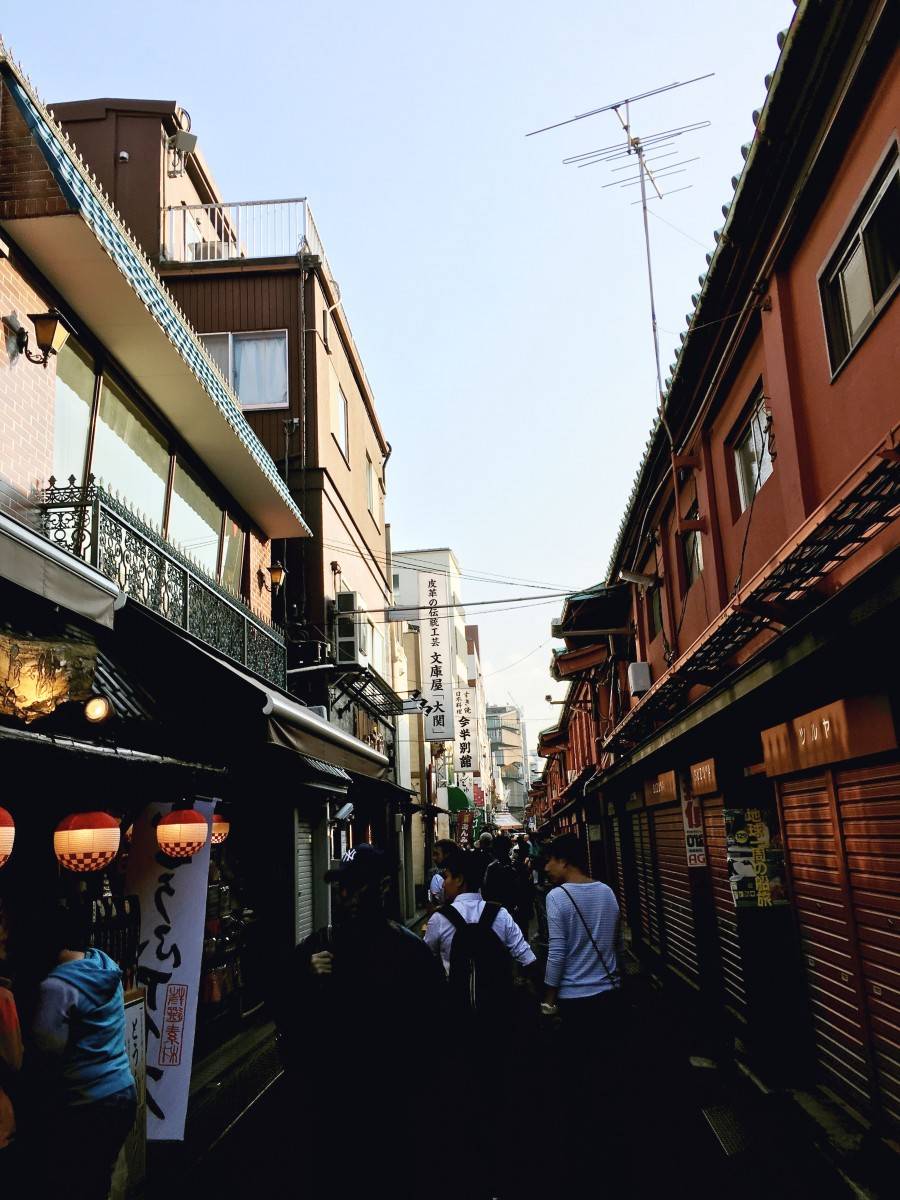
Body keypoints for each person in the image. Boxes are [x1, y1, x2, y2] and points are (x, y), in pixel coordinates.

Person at [277, 844, 446, 1198]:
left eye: (355, 887)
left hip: (392, 1106)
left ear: (382, 888)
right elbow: (285, 1015)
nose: (345, 896)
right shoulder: (320, 946)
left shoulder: (411, 952)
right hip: (334, 1106)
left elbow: (436, 1033)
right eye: (342, 887)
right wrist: (306, 978)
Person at [31, 906, 136, 1200]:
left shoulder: (57, 986)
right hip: (123, 1090)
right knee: (105, 1178)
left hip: (89, 1101)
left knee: (81, 1183)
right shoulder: (105, 966)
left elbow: (47, 1048)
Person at [541, 834, 624, 1187]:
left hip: (574, 1002)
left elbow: (557, 952)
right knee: (606, 1071)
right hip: (609, 996)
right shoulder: (607, 892)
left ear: (564, 861)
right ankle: (612, 1142)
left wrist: (548, 998)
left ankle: (583, 1154)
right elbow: (616, 943)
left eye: (549, 860)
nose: (545, 867)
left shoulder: (557, 897)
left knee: (576, 1076)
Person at [481, 833, 518, 913]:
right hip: (509, 907)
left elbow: (486, 890)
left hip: (495, 909)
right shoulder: (514, 866)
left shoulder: (492, 867)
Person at [426, 838, 458, 911]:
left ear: (447, 855)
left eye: (436, 854)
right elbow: (431, 902)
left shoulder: (461, 874)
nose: (433, 858)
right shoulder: (433, 874)